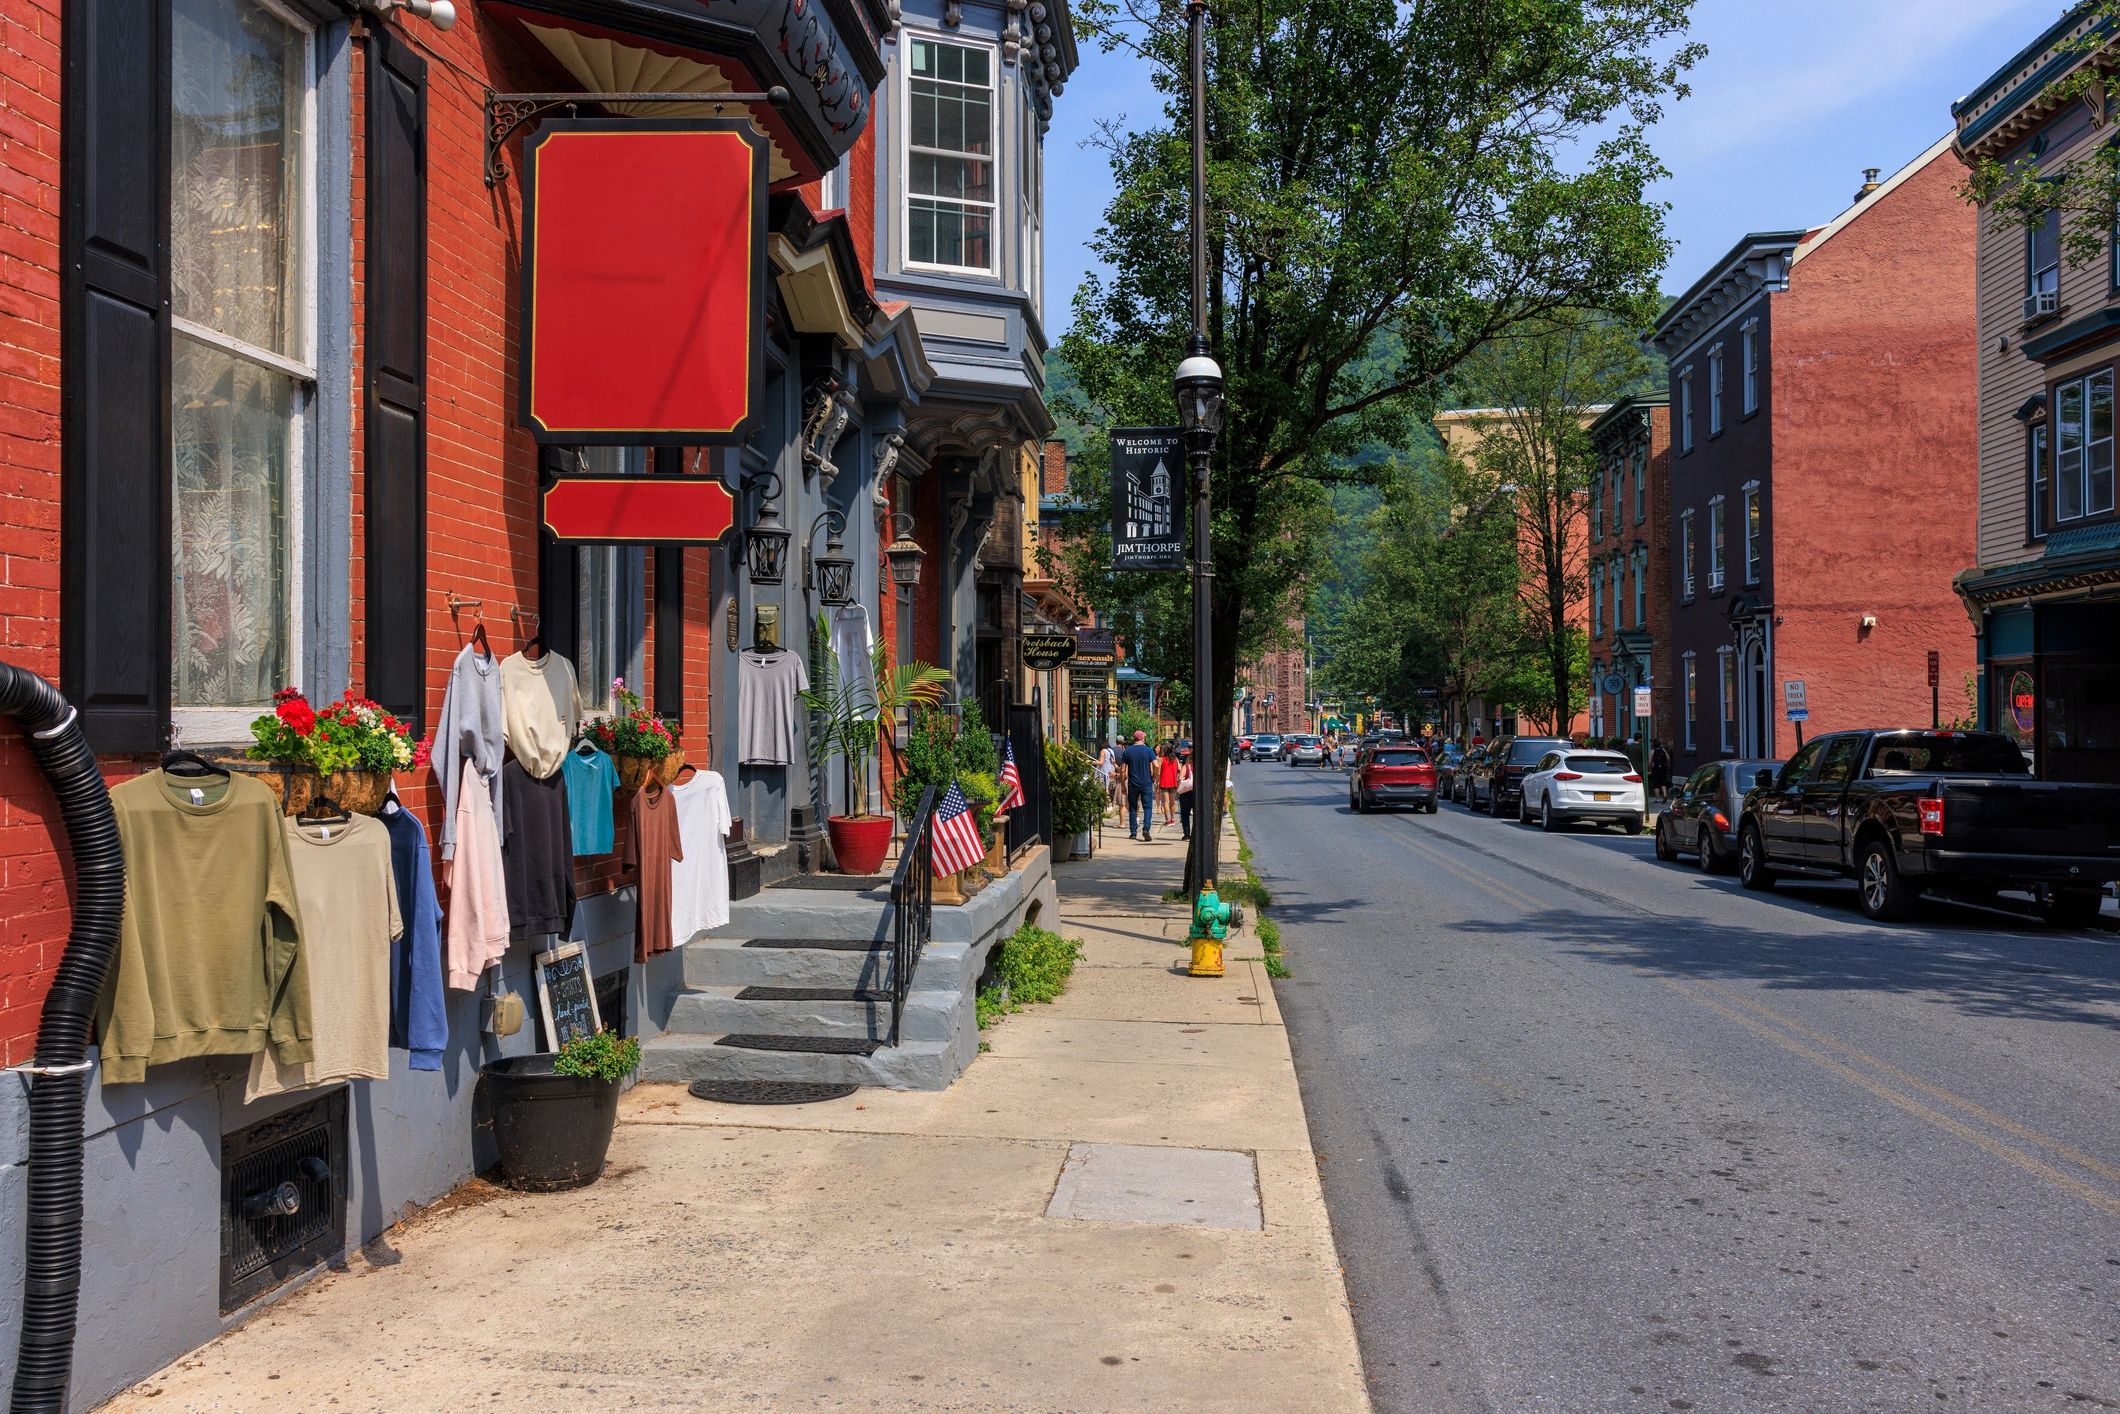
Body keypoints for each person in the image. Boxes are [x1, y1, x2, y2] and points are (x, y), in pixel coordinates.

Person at [1121, 730, 1157, 840]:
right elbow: (1157, 765)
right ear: (1142, 738)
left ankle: (1133, 832)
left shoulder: (1128, 751)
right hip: (1146, 783)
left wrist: (1123, 784)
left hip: (1133, 783)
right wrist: (1155, 777)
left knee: (1132, 808)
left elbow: (1123, 769)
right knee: (1147, 807)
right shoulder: (1148, 750)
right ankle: (1146, 828)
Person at [1156, 743, 1181, 825]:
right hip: (1173, 783)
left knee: (1165, 802)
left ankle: (1168, 820)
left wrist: (1157, 782)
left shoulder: (1161, 759)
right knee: (1173, 802)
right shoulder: (1175, 759)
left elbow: (1158, 773)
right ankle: (1173, 819)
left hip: (1164, 783)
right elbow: (1179, 769)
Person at [1095, 742, 1117, 816]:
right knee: (1107, 788)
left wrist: (1091, 762)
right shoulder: (1111, 751)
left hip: (1104, 771)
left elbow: (1101, 762)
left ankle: (1109, 805)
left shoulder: (1103, 751)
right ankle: (1107, 804)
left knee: (1105, 789)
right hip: (1110, 770)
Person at [1176, 751, 1194, 839]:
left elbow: (1180, 779)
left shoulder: (1186, 767)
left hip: (1186, 793)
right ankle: (1197, 832)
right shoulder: (1203, 766)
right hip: (1198, 794)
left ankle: (1187, 833)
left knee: (1185, 814)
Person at [1648, 739, 1672, 803]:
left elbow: (1650, 761)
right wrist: (1668, 765)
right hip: (1663, 768)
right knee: (1663, 782)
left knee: (1656, 783)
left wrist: (1650, 769)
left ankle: (1657, 799)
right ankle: (1665, 794)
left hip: (1655, 769)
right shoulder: (1663, 750)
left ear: (1653, 745)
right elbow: (1668, 758)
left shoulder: (1652, 751)